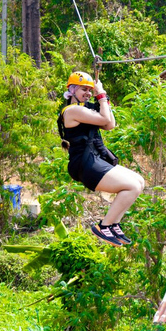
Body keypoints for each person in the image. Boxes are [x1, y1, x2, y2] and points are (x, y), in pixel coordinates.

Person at [58, 71, 145, 246]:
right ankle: (103, 226)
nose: (88, 94)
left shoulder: (85, 109)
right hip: (84, 163)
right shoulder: (73, 111)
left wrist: (101, 97)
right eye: (84, 89)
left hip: (93, 158)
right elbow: (104, 118)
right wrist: (101, 95)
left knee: (139, 181)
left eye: (90, 91)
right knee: (132, 186)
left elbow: (110, 124)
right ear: (72, 89)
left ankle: (113, 224)